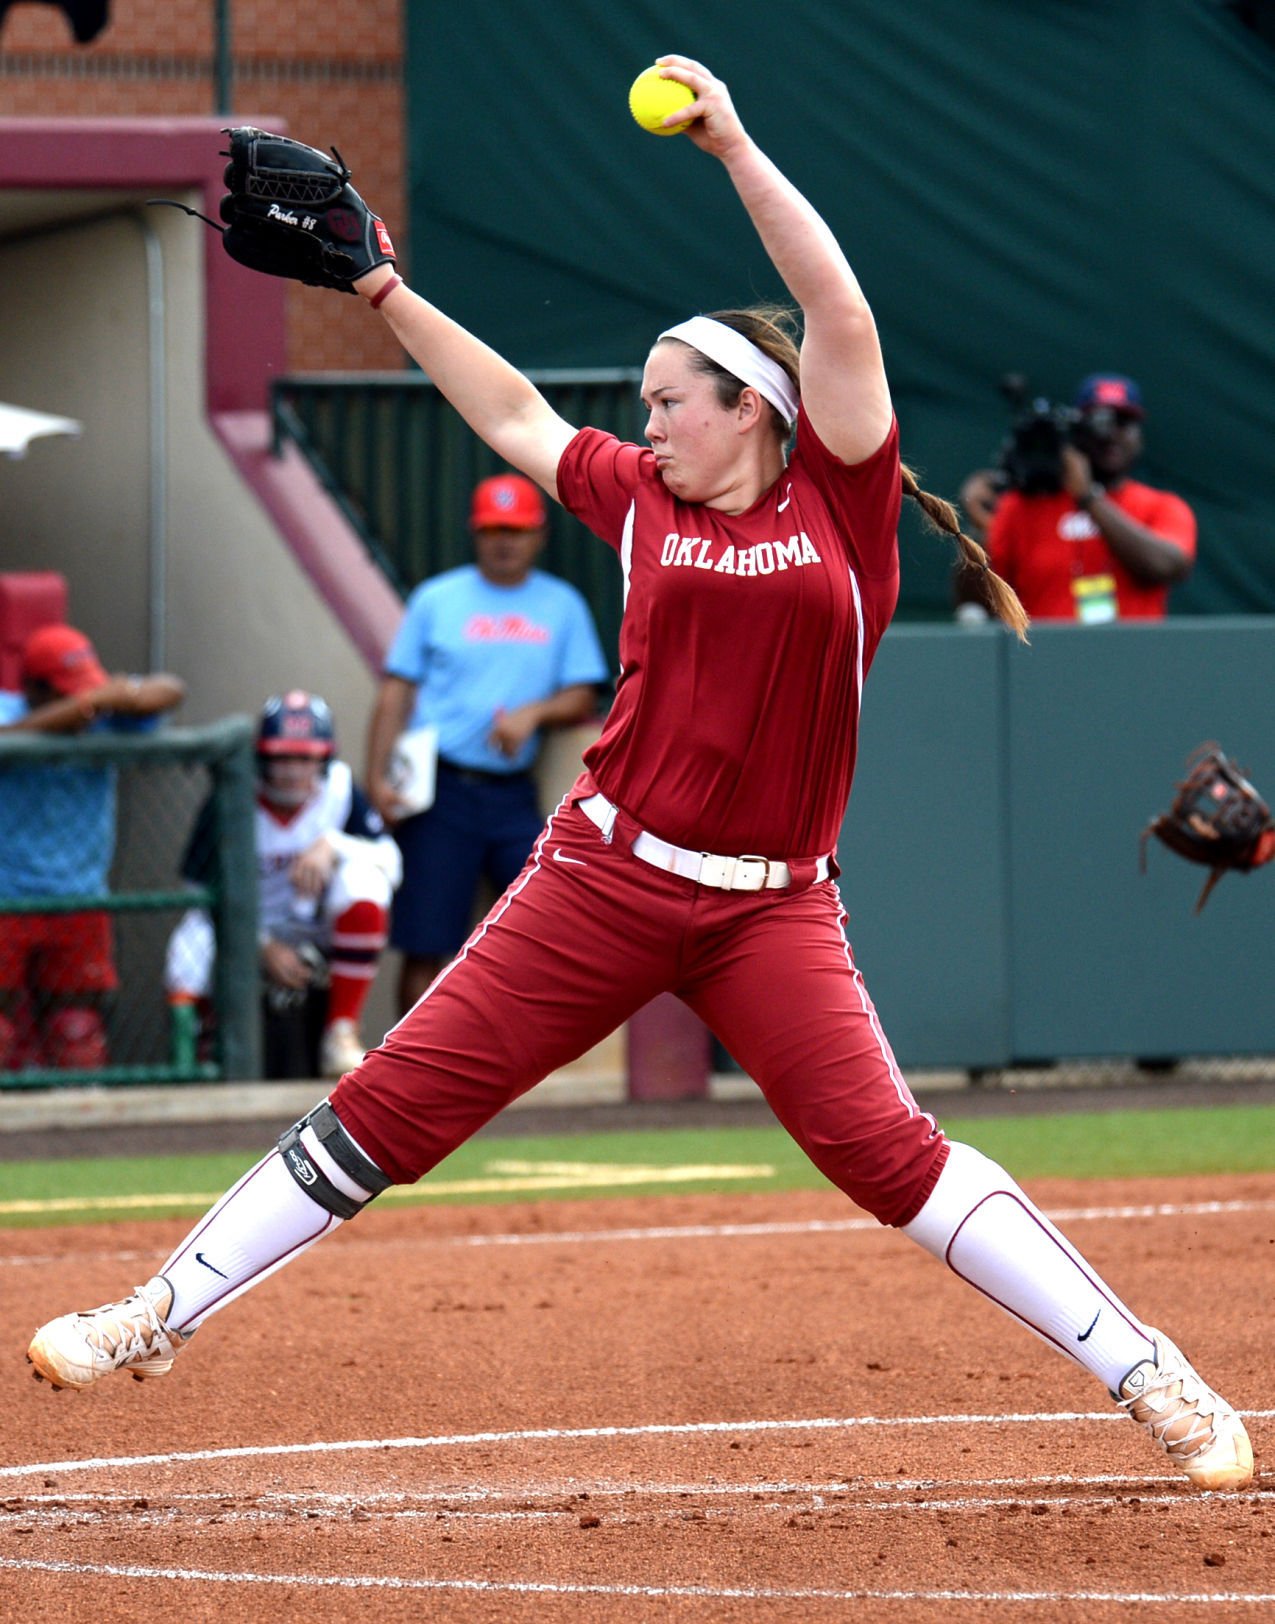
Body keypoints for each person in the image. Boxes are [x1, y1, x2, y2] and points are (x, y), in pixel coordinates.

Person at [26, 57, 1251, 1493]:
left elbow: (840, 314)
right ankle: (156, 1314)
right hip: (600, 874)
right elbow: (509, 415)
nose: (646, 421)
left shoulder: (841, 498)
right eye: (646, 405)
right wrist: (377, 291)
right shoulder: (634, 499)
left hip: (768, 908)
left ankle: (1147, 1373)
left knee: (885, 1154)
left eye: (671, 401)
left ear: (751, 408)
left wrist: (731, 141)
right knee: (388, 1110)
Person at [365, 472, 608, 1013]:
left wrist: (534, 713)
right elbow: (395, 694)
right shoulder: (436, 599)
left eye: (516, 531)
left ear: (539, 536)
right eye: (494, 530)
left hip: (511, 795)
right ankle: (408, 1074)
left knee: (545, 923)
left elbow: (583, 694)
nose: (504, 542)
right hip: (440, 791)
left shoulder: (561, 605)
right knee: (427, 943)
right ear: (475, 534)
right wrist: (376, 778)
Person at [164, 691, 403, 1079]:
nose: (292, 770)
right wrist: (257, 943)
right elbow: (195, 889)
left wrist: (335, 846)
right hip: (245, 924)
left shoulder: (340, 789)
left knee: (364, 882)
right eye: (282, 757)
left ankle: (340, 1034)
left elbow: (393, 864)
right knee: (186, 950)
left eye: (304, 757)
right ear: (263, 757)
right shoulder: (233, 794)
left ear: (323, 758)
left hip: (313, 920)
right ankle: (197, 1061)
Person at [0, 623, 185, 1069]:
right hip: (7, 899)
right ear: (34, 688)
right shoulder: (9, 711)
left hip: (82, 899)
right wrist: (77, 709)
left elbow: (171, 690)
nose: (86, 706)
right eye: (69, 692)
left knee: (76, 1032)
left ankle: (73, 1137)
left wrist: (95, 700)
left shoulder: (107, 719)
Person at [956, 374, 1197, 624]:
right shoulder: (1020, 507)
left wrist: (1088, 496)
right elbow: (975, 603)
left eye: (1123, 423)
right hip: (1043, 658)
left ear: (1139, 435)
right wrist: (976, 530)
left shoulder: (1162, 506)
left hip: (1135, 659)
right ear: (1075, 432)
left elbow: (1169, 566)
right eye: (1099, 423)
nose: (1111, 435)